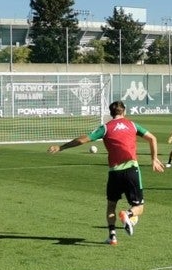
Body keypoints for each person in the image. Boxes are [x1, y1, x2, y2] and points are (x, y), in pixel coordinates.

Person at [47, 100, 164, 246]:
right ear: (124, 112)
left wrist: (61, 147)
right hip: (131, 169)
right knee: (139, 207)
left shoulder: (106, 128)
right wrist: (154, 159)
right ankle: (128, 214)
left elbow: (83, 140)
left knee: (111, 205)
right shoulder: (132, 125)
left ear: (111, 113)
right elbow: (152, 138)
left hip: (114, 173)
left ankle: (112, 236)